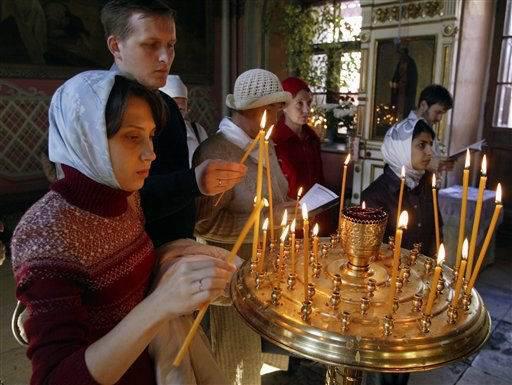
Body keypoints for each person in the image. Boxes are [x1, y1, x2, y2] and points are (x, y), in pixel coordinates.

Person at [10, 71, 236, 385]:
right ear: (86, 136)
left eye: (151, 135)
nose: (151, 153)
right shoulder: (46, 233)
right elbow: (55, 377)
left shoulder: (126, 198)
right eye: (132, 136)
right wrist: (160, 303)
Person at [101, 0, 246, 247]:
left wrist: (197, 184)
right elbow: (111, 200)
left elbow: (173, 174)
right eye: (150, 45)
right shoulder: (97, 108)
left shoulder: (167, 105)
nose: (165, 57)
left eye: (171, 45)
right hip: (125, 250)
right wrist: (193, 182)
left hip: (175, 244)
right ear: (116, 46)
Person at [193, 68, 292, 385]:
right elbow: (205, 225)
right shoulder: (216, 153)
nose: (280, 114)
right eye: (276, 106)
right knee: (236, 367)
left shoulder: (265, 144)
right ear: (260, 109)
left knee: (262, 364)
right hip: (231, 280)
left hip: (266, 271)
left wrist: (289, 209)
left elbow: (276, 196)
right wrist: (270, 218)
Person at [362, 119, 442, 259]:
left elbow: (436, 230)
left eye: (430, 145)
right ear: (401, 148)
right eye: (422, 145)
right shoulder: (374, 196)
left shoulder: (428, 182)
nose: (430, 152)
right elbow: (371, 252)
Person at [273, 76, 324, 199]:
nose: (306, 110)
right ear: (284, 106)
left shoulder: (312, 138)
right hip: (289, 211)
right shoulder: (275, 141)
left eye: (309, 103)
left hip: (316, 208)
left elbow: (320, 179)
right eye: (299, 103)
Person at [160, 74, 209, 166]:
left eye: (181, 109)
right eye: (172, 109)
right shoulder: (153, 132)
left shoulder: (197, 131)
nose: (176, 115)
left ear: (187, 110)